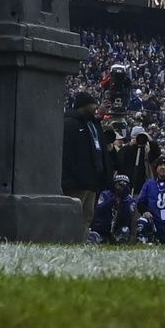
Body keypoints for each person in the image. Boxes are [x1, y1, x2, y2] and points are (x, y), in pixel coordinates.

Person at [61, 90, 108, 229]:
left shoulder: (92, 124)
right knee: (73, 214)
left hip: (92, 179)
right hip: (77, 181)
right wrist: (74, 173)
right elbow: (68, 153)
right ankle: (68, 241)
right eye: (92, 104)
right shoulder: (70, 123)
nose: (95, 107)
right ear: (83, 105)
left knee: (87, 215)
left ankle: (81, 242)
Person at [136, 161, 165, 243]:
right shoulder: (149, 184)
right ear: (156, 169)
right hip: (153, 220)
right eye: (160, 165)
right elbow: (140, 202)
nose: (163, 167)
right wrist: (145, 211)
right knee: (142, 222)